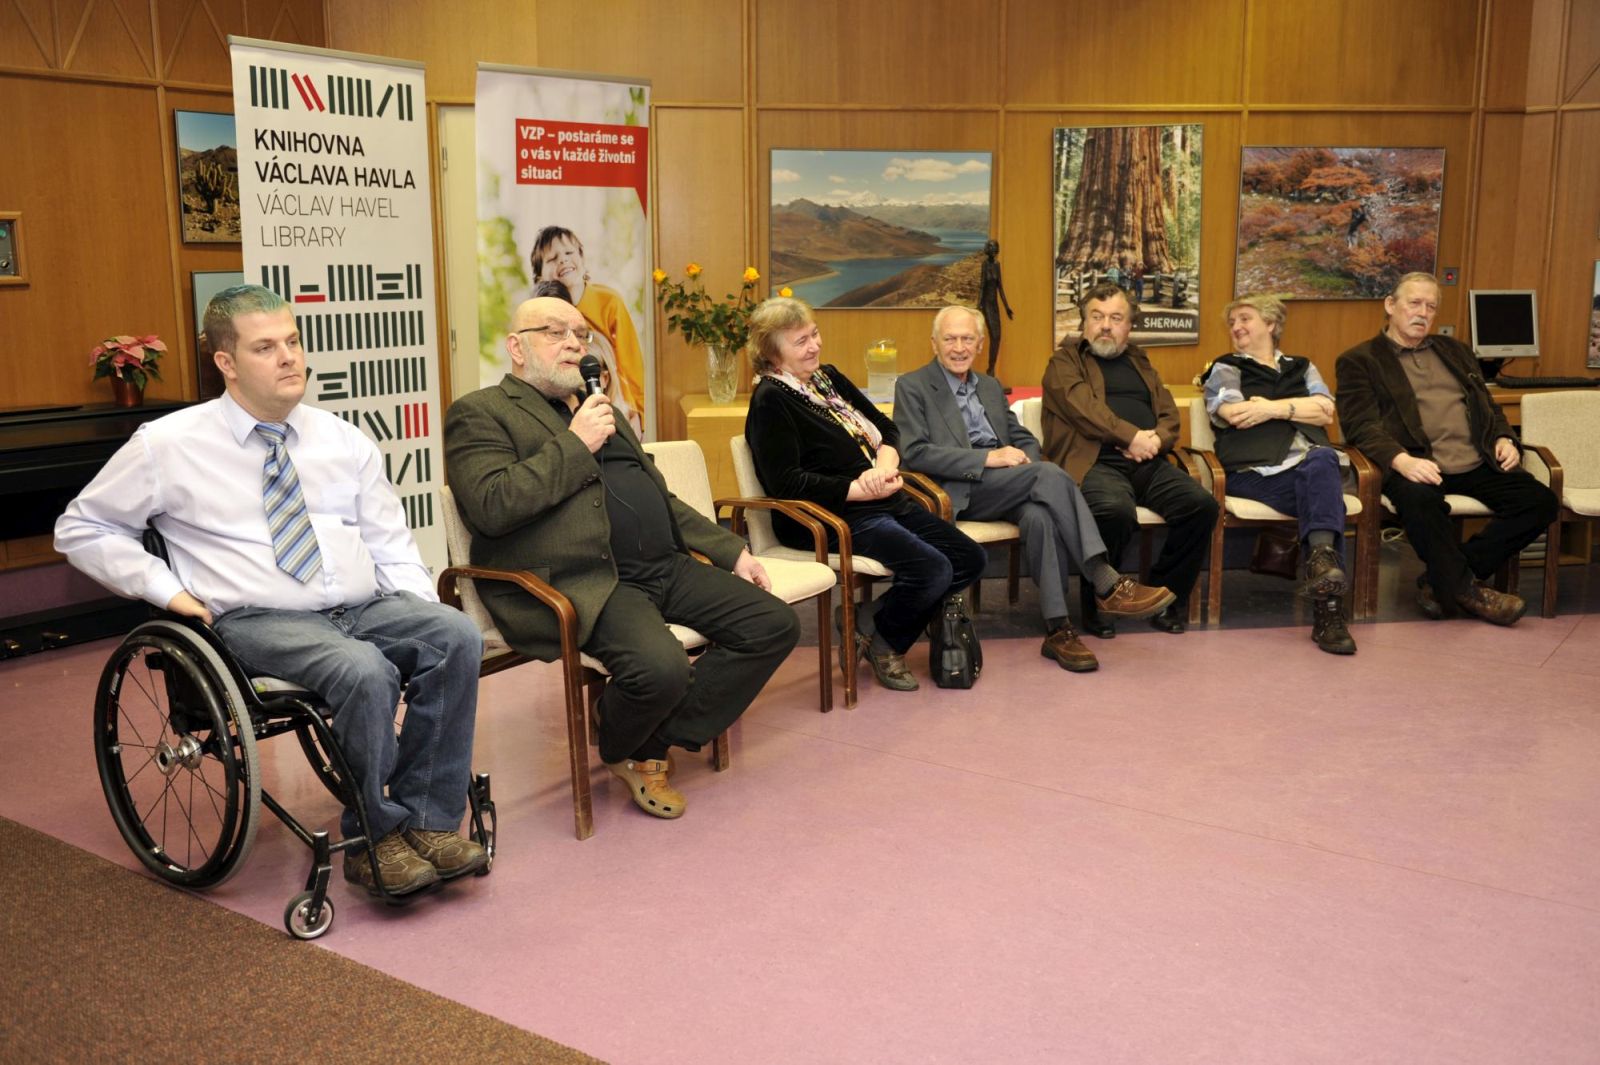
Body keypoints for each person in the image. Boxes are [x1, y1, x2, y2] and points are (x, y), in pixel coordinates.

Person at [55, 284, 486, 897]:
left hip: (361, 606)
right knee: (362, 670)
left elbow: (390, 542)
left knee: (456, 634)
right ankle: (377, 837)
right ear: (226, 362)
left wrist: (417, 609)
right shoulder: (168, 444)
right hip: (258, 619)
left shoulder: (342, 439)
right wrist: (166, 590)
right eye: (265, 347)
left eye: (293, 342)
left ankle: (428, 823)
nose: (289, 358)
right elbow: (81, 528)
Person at [445, 296, 798, 820]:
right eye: (555, 332)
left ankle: (640, 738)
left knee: (772, 624)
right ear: (517, 348)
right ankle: (632, 740)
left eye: (581, 334)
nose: (574, 344)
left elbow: (660, 495)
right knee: (662, 668)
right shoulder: (480, 412)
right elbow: (493, 507)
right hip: (585, 580)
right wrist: (576, 442)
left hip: (664, 565)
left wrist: (730, 550)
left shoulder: (600, 408)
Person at [895, 305, 1175, 673]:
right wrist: (988, 458)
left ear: (980, 344)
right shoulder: (912, 386)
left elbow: (1021, 435)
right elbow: (914, 452)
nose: (958, 347)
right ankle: (1105, 580)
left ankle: (1058, 630)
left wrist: (1024, 460)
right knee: (1049, 475)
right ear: (934, 343)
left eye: (966, 339)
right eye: (950, 339)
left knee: (1041, 515)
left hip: (1008, 483)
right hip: (958, 489)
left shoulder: (989, 386)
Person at [743, 296, 986, 693]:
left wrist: (885, 466)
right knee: (933, 569)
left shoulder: (828, 377)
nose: (815, 345)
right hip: (828, 516)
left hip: (882, 498)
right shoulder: (771, 400)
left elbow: (887, 428)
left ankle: (866, 618)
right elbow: (786, 483)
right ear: (772, 354)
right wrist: (857, 488)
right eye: (801, 341)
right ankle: (888, 645)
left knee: (970, 558)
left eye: (814, 334)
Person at [1336, 272, 1557, 625]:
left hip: (1475, 460)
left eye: (1431, 306)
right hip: (1415, 462)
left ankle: (1442, 582)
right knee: (1421, 502)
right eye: (1414, 303)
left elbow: (1489, 406)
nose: (1422, 313)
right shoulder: (1360, 360)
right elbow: (1360, 426)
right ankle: (1470, 592)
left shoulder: (1456, 351)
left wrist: (1504, 438)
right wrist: (1401, 460)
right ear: (1390, 305)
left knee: (1540, 501)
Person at [1041, 281, 1219, 636]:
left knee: (1201, 506)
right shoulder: (1064, 362)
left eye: (1116, 318)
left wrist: (1155, 440)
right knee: (1113, 510)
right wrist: (1132, 437)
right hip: (1094, 462)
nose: (1105, 325)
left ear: (1129, 325)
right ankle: (1101, 600)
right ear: (1084, 322)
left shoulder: (1140, 361)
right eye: (1097, 317)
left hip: (1147, 462)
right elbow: (1084, 411)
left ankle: (1165, 597)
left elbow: (1169, 413)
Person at [1202, 294, 1356, 654]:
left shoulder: (1302, 366)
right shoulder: (1226, 367)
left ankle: (1322, 567)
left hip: (1309, 468)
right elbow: (1235, 413)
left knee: (1322, 461)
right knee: (1327, 501)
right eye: (1232, 322)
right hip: (1253, 471)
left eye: (1245, 318)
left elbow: (1325, 411)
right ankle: (1330, 613)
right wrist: (1298, 408)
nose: (1236, 327)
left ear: (1271, 324)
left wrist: (1272, 408)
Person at [528, 225, 646, 431]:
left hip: (611, 403)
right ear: (539, 277)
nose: (563, 260)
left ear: (582, 260)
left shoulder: (609, 302)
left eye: (569, 252)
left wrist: (638, 416)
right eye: (553, 258)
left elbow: (631, 365)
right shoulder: (538, 313)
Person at [530, 277, 643, 437]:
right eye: (554, 332)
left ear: (605, 379)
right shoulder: (543, 413)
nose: (571, 343)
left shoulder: (624, 418)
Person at [977, 239, 1014, 379]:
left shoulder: (997, 265)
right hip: (986, 304)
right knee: (994, 335)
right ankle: (991, 370)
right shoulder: (985, 265)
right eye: (990, 247)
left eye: (994, 248)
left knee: (997, 337)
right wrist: (979, 306)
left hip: (995, 305)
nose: (993, 250)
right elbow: (982, 287)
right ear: (988, 249)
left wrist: (1007, 307)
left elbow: (1000, 288)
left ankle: (991, 368)